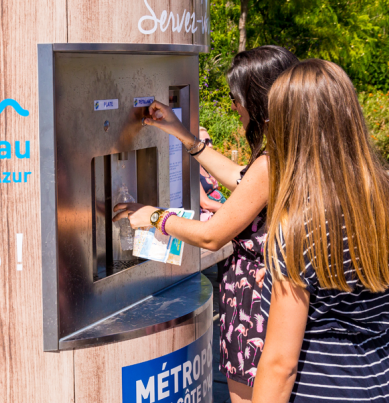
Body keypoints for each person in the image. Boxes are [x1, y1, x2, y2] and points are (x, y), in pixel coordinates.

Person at [113, 45, 299, 403]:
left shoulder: (272, 162)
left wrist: (153, 217)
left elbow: (212, 236)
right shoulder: (294, 152)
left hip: (256, 312)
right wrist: (184, 135)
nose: (233, 107)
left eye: (236, 97)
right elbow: (239, 178)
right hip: (270, 305)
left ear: (258, 99)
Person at [251, 59, 389, 403]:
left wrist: (318, 303)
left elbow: (280, 365)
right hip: (386, 386)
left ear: (289, 129)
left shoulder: (297, 226)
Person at [198, 126, 227, 222]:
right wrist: (231, 210)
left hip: (220, 213)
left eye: (210, 141)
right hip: (211, 219)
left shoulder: (204, 165)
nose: (210, 145)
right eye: (205, 141)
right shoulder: (192, 170)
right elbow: (205, 204)